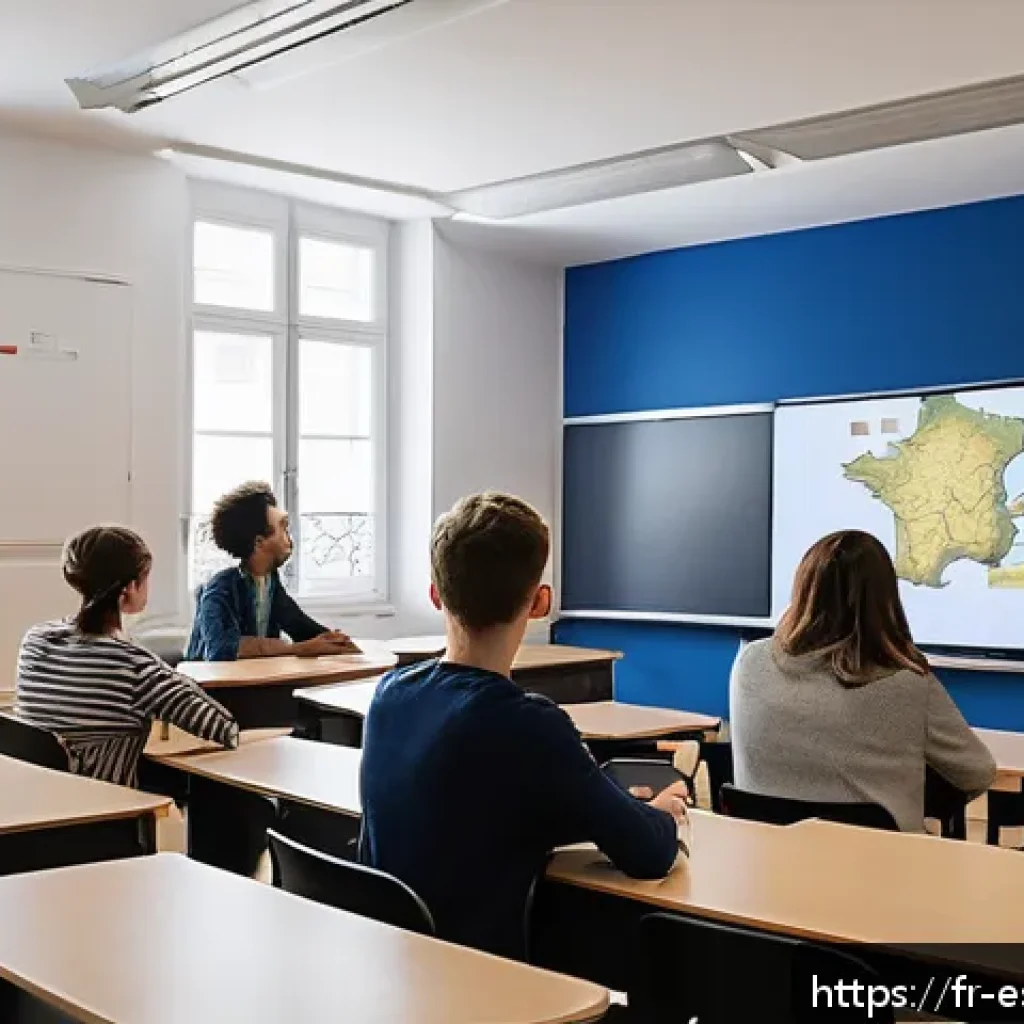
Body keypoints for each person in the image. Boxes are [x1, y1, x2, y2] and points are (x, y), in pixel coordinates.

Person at [360, 492, 686, 960]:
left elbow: (480, 811)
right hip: (483, 986)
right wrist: (663, 812)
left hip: (395, 973)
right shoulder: (528, 724)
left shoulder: (390, 695)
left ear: (436, 593)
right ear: (540, 602)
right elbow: (648, 854)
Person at [730, 530, 996, 832]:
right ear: (884, 599)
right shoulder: (906, 682)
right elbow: (977, 773)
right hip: (885, 870)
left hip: (768, 866)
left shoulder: (749, 662)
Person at [16, 526, 238, 788]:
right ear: (130, 588)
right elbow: (225, 729)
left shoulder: (34, 641)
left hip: (37, 807)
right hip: (105, 815)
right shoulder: (134, 666)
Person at [186, 482, 357, 661]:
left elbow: (298, 624)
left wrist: (333, 640)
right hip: (213, 685)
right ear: (259, 542)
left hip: (256, 679)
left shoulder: (270, 583)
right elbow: (221, 649)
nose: (289, 538)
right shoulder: (221, 588)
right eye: (282, 527)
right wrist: (299, 648)